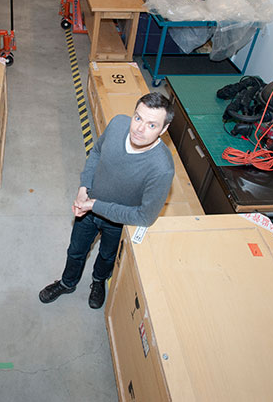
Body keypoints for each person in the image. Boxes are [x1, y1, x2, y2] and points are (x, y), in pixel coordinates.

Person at [39, 92, 175, 309]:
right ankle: (67, 282)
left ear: (164, 130)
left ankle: (98, 281)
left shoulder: (162, 168)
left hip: (117, 221)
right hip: (88, 209)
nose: (139, 129)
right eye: (138, 118)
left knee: (107, 256)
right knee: (75, 250)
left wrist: (96, 205)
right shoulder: (118, 124)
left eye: (151, 125)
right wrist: (84, 187)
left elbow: (145, 217)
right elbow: (96, 152)